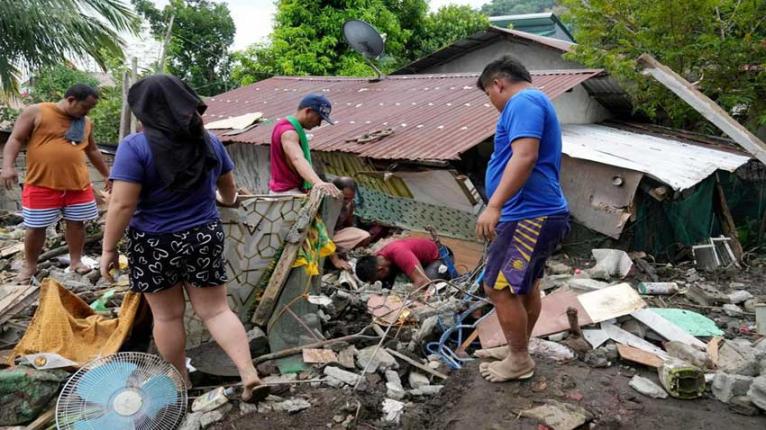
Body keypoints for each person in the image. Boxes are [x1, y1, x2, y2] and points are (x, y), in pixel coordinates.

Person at [99, 75, 265, 401]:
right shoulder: (210, 141)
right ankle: (249, 373)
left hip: (153, 242)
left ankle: (181, 385)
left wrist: (107, 248)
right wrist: (223, 202)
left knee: (167, 316)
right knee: (217, 311)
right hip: (204, 236)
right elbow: (229, 192)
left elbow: (122, 203)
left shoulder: (135, 147)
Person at [474, 56, 570, 383]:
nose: (492, 103)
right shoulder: (535, 101)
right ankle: (519, 349)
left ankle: (519, 360)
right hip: (539, 213)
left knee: (498, 287)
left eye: (489, 95)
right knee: (525, 285)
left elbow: (525, 155)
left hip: (527, 215)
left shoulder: (522, 101)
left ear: (498, 83)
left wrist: (494, 205)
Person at [2, 84, 111, 282]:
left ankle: (76, 262)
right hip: (41, 184)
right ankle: (29, 267)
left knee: (77, 224)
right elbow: (16, 139)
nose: (87, 112)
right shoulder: (37, 112)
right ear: (71, 100)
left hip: (78, 185)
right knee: (36, 227)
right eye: (85, 106)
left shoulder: (85, 122)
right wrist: (8, 166)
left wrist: (107, 174)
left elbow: (92, 150)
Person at [269, 93, 341, 198]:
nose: (319, 124)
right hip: (287, 193)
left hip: (290, 191)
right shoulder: (289, 132)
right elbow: (297, 158)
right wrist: (317, 182)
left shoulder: (292, 128)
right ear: (308, 111)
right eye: (319, 118)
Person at [355, 237, 452, 289]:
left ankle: (448, 276)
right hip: (421, 260)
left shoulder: (399, 253)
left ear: (381, 269)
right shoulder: (379, 257)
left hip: (441, 258)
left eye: (379, 278)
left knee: (425, 288)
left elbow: (422, 281)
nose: (380, 280)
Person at [327, 176, 370, 271]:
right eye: (345, 198)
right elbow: (323, 234)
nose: (347, 202)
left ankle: (344, 254)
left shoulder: (349, 204)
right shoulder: (327, 205)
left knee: (365, 236)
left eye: (350, 198)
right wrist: (336, 261)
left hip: (336, 234)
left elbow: (348, 225)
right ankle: (331, 258)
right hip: (322, 237)